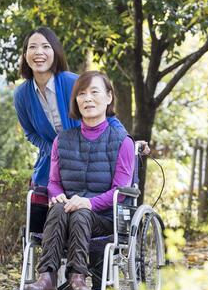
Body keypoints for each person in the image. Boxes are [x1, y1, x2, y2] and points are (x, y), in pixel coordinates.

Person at [23, 71, 135, 290]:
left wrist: (88, 203)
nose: (88, 99)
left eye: (95, 92)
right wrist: (58, 195)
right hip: (66, 211)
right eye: (81, 94)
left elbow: (120, 192)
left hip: (104, 218)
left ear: (109, 97)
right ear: (75, 101)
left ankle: (77, 277)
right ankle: (47, 277)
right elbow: (54, 181)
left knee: (81, 213)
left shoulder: (123, 142)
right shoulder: (62, 140)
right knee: (57, 207)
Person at [13, 27, 126, 188]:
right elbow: (30, 133)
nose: (39, 52)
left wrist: (127, 142)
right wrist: (55, 150)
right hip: (50, 168)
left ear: (55, 52)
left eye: (46, 46)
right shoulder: (21, 94)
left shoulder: (73, 82)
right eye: (32, 47)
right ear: (25, 55)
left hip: (88, 163)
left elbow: (107, 116)